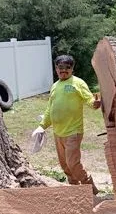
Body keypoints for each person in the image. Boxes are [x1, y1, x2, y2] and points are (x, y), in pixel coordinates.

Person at [32, 55, 101, 195]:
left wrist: (94, 103)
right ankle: (74, 189)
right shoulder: (54, 86)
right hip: (58, 133)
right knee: (64, 165)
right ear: (56, 69)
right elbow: (49, 109)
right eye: (60, 68)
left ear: (72, 69)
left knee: (72, 163)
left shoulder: (78, 83)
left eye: (67, 68)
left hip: (73, 132)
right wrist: (42, 126)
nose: (63, 71)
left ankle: (89, 185)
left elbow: (89, 99)